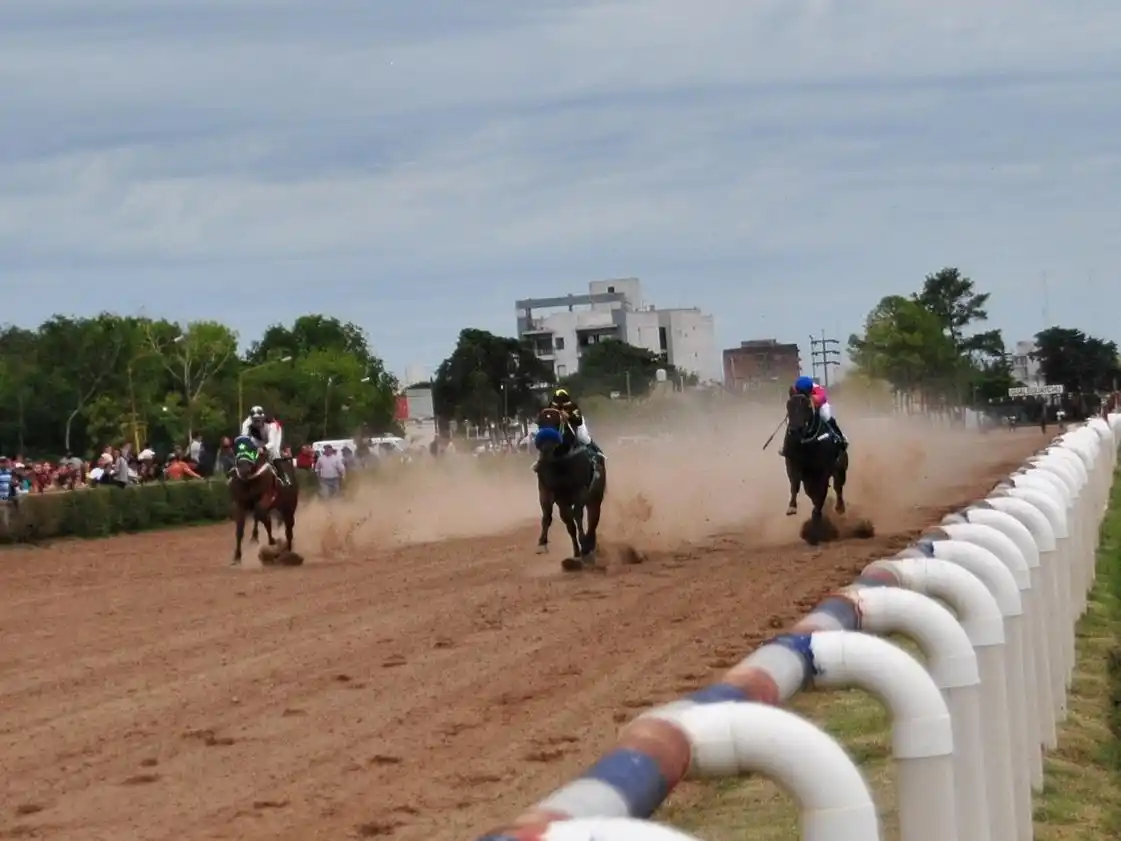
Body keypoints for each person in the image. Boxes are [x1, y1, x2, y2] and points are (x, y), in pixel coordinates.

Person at [240, 405, 291, 485]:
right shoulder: (246, 423)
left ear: (263, 418)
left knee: (274, 452)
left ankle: (284, 477)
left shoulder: (272, 425)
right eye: (255, 420)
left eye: (259, 419)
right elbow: (243, 438)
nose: (257, 422)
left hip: (274, 435)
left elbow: (272, 442)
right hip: (258, 437)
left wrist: (263, 448)